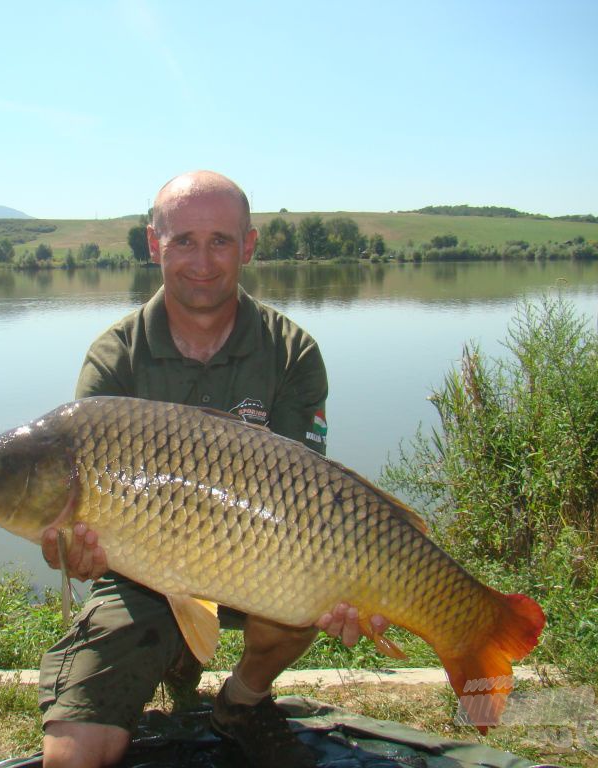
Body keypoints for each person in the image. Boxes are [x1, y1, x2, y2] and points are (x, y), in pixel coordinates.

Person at [37, 170, 390, 768]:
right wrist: (69, 549)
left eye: (221, 241)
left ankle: (243, 701)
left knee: (312, 590)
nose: (201, 261)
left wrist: (348, 581)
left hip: (260, 559)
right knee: (72, 758)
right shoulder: (113, 357)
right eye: (183, 241)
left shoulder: (290, 351)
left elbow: (310, 501)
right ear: (154, 245)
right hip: (141, 573)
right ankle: (174, 659)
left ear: (248, 247)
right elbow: (70, 529)